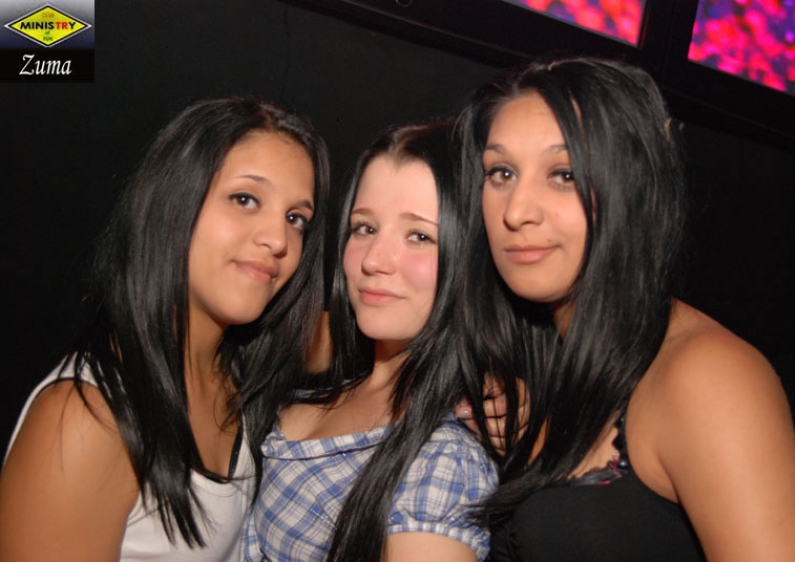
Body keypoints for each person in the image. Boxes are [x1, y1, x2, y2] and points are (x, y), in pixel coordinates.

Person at [454, 56, 795, 561]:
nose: (516, 210)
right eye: (501, 172)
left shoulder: (709, 378)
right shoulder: (543, 357)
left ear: (632, 189)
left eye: (563, 174)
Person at [0, 97, 330, 562]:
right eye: (245, 199)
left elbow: (360, 342)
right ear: (175, 201)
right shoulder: (86, 422)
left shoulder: (240, 366)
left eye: (296, 219)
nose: (278, 239)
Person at [243, 121, 497, 562]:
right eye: (364, 228)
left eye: (420, 236)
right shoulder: (338, 369)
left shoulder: (442, 462)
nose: (375, 260)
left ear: (470, 258)